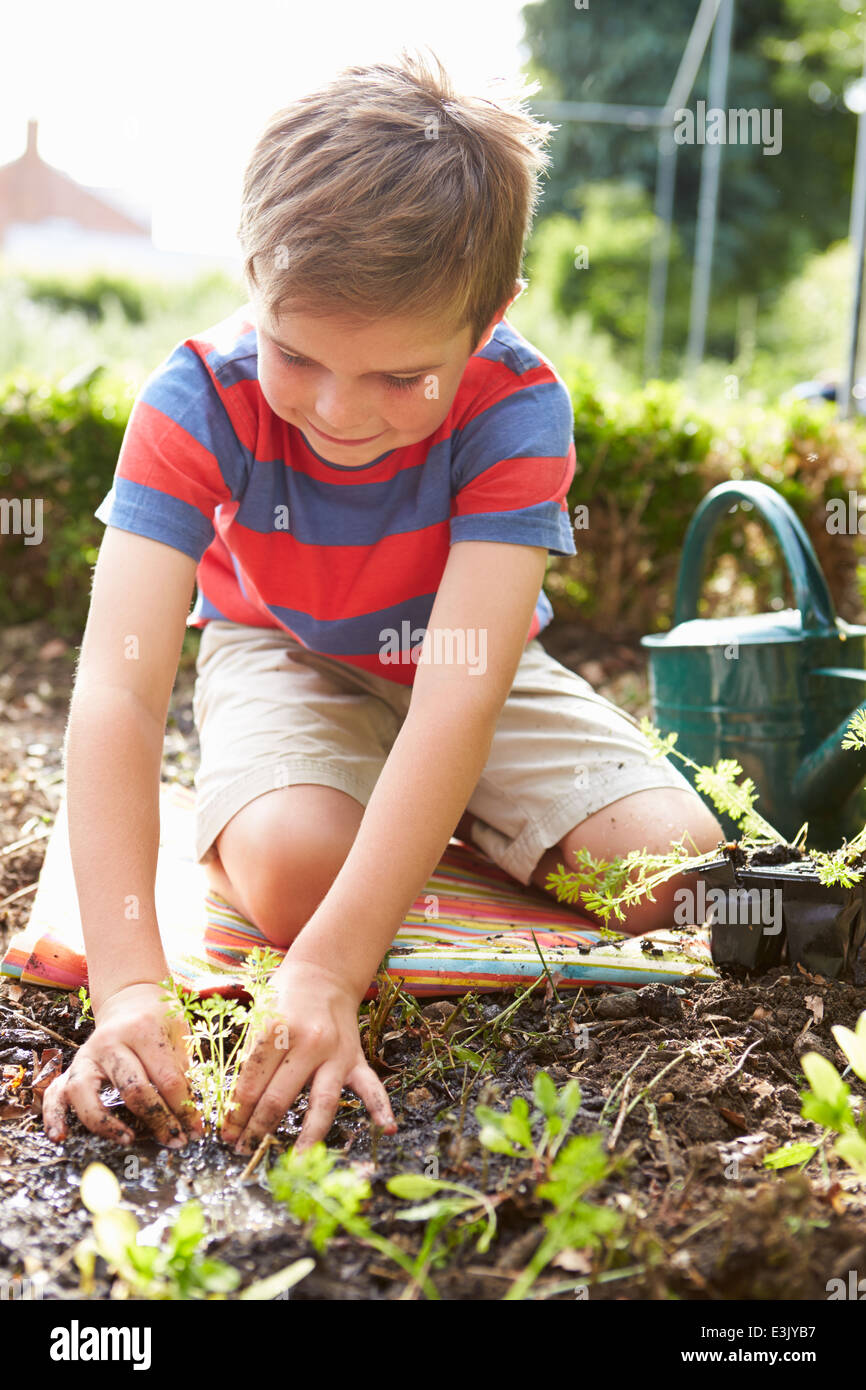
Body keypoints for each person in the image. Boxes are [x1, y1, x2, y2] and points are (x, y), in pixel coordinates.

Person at [43, 48, 722, 1157]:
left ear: (488, 314)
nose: (338, 413)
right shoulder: (189, 403)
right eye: (296, 355)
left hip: (463, 667)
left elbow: (460, 696)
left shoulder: (517, 407)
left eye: (401, 377)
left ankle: (402, 825)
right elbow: (118, 687)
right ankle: (343, 820)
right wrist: (127, 987)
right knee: (301, 876)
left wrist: (328, 971)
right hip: (282, 642)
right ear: (254, 274)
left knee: (670, 876)